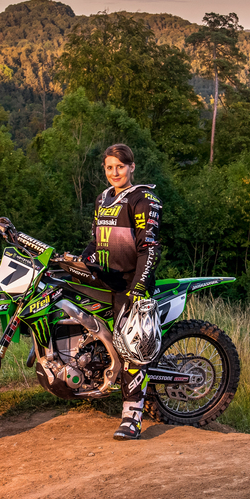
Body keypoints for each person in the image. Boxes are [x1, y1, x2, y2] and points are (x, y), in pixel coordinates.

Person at [80, 143, 162, 440]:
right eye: (109, 167)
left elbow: (149, 247)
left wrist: (139, 286)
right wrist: (82, 259)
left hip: (132, 281)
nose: (114, 172)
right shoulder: (103, 198)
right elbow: (96, 241)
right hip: (105, 278)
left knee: (131, 350)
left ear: (132, 167)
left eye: (120, 166)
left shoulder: (143, 198)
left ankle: (132, 418)